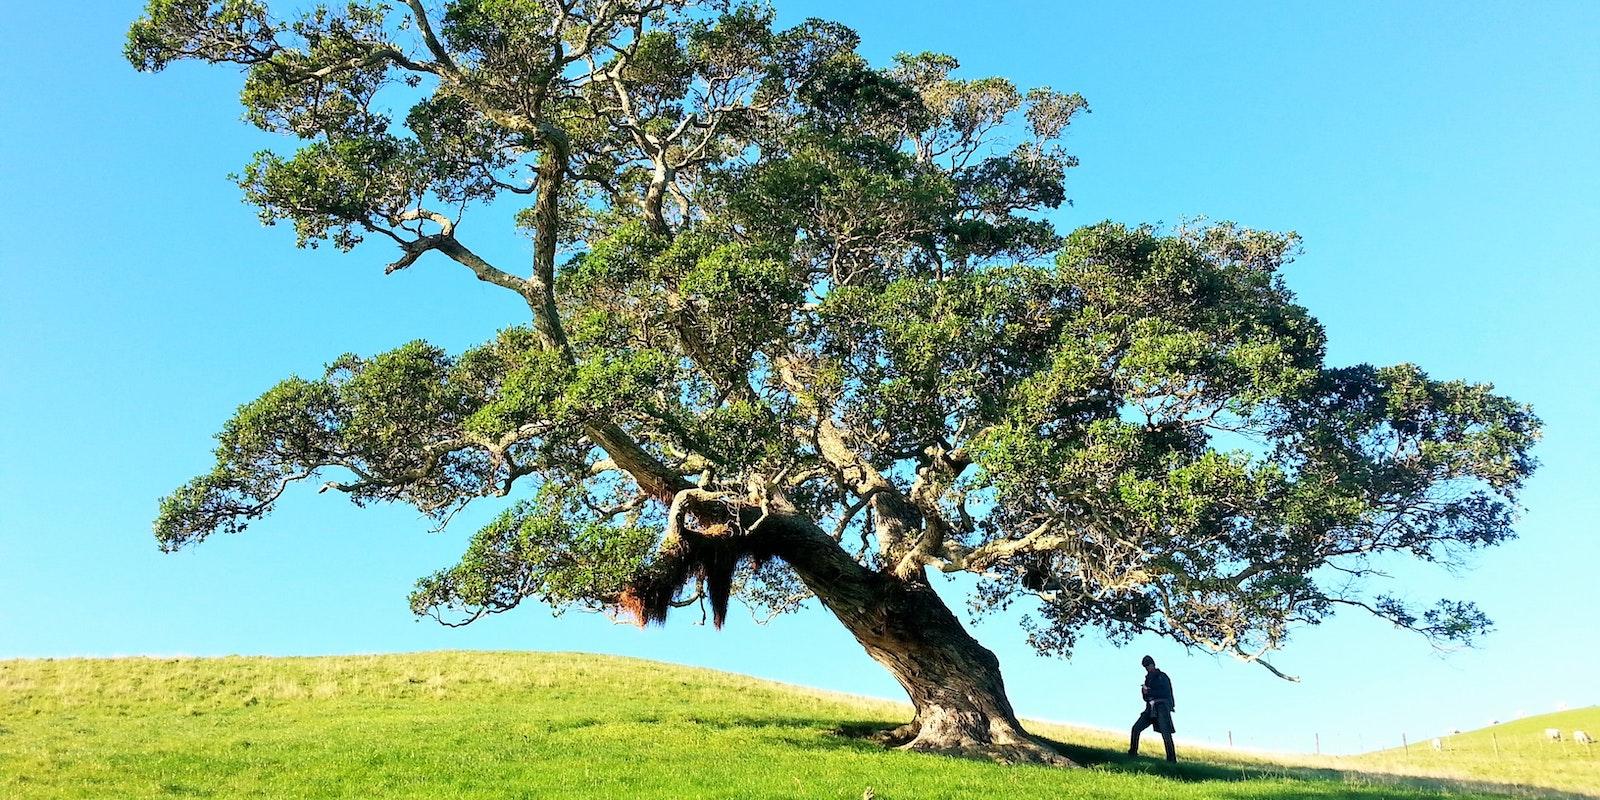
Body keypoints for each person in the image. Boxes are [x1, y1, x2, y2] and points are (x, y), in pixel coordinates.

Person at [1129, 654, 1177, 762]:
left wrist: (1149, 691)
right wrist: (1144, 692)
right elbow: (1146, 698)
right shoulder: (1148, 679)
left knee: (1166, 734)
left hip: (1162, 708)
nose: (1147, 668)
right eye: (1145, 667)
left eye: (1148, 666)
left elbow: (1165, 693)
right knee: (1136, 728)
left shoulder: (1162, 677)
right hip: (1150, 709)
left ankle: (1171, 759)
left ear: (1153, 665)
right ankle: (1132, 753)